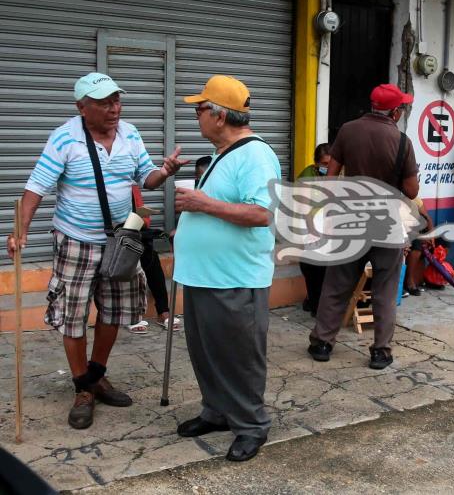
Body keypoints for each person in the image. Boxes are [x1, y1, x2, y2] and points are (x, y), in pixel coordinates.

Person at [5, 72, 187, 429]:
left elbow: (145, 177)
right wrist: (19, 233)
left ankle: (97, 373)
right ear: (82, 107)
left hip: (121, 240)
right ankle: (82, 388)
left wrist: (164, 171)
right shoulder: (64, 138)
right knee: (73, 314)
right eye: (104, 102)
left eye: (116, 100)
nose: (113, 108)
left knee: (115, 311)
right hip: (75, 240)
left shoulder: (130, 134)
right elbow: (34, 189)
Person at [173, 75, 281, 462]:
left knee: (239, 356)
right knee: (207, 352)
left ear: (219, 116)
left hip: (235, 279)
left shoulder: (255, 155)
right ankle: (217, 411)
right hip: (205, 275)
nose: (196, 116)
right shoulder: (224, 153)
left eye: (199, 109)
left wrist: (203, 205)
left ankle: (251, 426)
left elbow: (261, 213)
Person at [308, 83, 419, 369]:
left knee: (336, 284)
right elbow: (411, 189)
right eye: (401, 107)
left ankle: (322, 342)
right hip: (386, 222)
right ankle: (380, 350)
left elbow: (330, 178)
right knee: (384, 288)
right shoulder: (403, 142)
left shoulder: (347, 130)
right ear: (395, 112)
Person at [127, 186, 180, 333]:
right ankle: (132, 314)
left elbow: (145, 219)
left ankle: (163, 311)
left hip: (134, 233)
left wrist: (140, 220)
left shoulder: (132, 187)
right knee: (128, 262)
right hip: (112, 237)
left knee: (151, 258)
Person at [297, 144, 331, 315]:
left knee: (328, 270)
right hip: (310, 228)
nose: (328, 167)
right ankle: (315, 305)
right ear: (316, 163)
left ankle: (316, 302)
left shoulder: (338, 175)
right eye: (324, 164)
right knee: (313, 268)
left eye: (330, 164)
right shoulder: (307, 176)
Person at [404, 197, 434, 295]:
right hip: (405, 232)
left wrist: (431, 236)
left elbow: (427, 218)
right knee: (417, 242)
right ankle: (409, 281)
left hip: (417, 231)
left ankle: (433, 278)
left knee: (443, 241)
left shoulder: (415, 199)